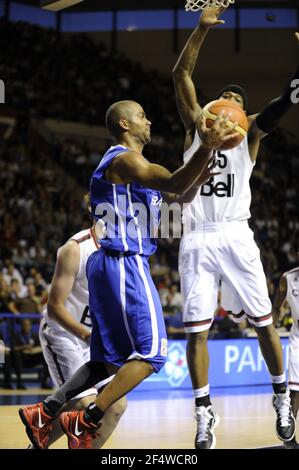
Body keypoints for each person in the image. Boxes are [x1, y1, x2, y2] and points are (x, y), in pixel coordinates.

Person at [19, 99, 238, 449]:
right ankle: (86, 419)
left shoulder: (134, 169)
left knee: (109, 360)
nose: (148, 121)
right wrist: (206, 147)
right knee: (153, 354)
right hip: (124, 260)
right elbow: (175, 182)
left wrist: (201, 171)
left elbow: (177, 196)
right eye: (141, 116)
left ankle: (45, 411)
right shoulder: (123, 158)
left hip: (109, 264)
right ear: (124, 124)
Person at [172, 6, 298, 449]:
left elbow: (274, 112)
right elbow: (181, 74)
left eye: (236, 99)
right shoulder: (196, 125)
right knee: (196, 331)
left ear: (243, 114)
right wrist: (201, 29)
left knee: (265, 322)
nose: (227, 102)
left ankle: (281, 395)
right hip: (197, 236)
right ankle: (204, 412)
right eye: (223, 95)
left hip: (236, 233)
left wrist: (291, 95)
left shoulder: (252, 135)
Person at [20, 210, 127, 449]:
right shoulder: (75, 248)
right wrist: (87, 334)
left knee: (116, 405)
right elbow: (55, 306)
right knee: (83, 403)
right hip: (63, 333)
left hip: (94, 339)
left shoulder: (124, 252)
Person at [273, 265, 299, 449]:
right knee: (295, 388)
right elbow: (277, 307)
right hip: (298, 336)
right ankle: (289, 440)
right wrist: (268, 332)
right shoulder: (287, 278)